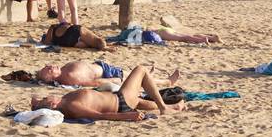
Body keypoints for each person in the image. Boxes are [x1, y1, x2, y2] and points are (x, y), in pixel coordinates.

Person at [29, 65, 181, 122]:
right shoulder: (72, 105)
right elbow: (99, 115)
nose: (46, 96)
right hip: (121, 103)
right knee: (140, 70)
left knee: (143, 103)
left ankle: (174, 108)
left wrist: (36, 104)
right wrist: (128, 116)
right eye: (45, 98)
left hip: (119, 100)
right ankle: (163, 107)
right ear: (52, 104)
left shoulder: (65, 100)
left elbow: (35, 103)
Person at [36, 59, 180, 89]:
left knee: (137, 74)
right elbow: (94, 83)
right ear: (52, 77)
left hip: (103, 67)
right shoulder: (70, 77)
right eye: (49, 69)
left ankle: (151, 75)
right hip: (107, 73)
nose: (50, 65)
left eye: (47, 65)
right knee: (139, 77)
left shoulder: (64, 72)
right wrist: (114, 80)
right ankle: (166, 82)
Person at [39, 20, 108, 50]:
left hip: (66, 42)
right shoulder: (53, 27)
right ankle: (104, 47)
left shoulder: (52, 31)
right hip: (73, 30)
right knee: (98, 41)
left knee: (88, 45)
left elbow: (47, 43)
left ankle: (99, 45)